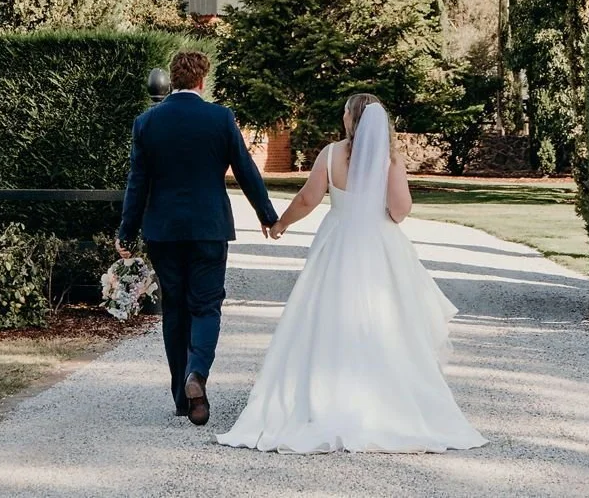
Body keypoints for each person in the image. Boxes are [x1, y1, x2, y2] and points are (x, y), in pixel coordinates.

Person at [217, 93, 486, 453]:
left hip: (338, 241)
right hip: (379, 245)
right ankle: (386, 403)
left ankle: (319, 399)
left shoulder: (330, 154)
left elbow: (308, 198)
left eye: (345, 112)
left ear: (351, 119)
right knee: (387, 320)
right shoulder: (389, 159)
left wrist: (281, 223)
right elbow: (400, 210)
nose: (342, 117)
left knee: (324, 317)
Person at [115, 48, 279, 427]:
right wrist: (267, 215)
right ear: (202, 81)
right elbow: (245, 169)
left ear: (172, 79)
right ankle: (197, 373)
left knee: (174, 308)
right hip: (209, 229)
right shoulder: (220, 118)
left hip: (163, 231)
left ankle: (181, 397)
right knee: (206, 306)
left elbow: (137, 183)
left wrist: (126, 231)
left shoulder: (146, 123)